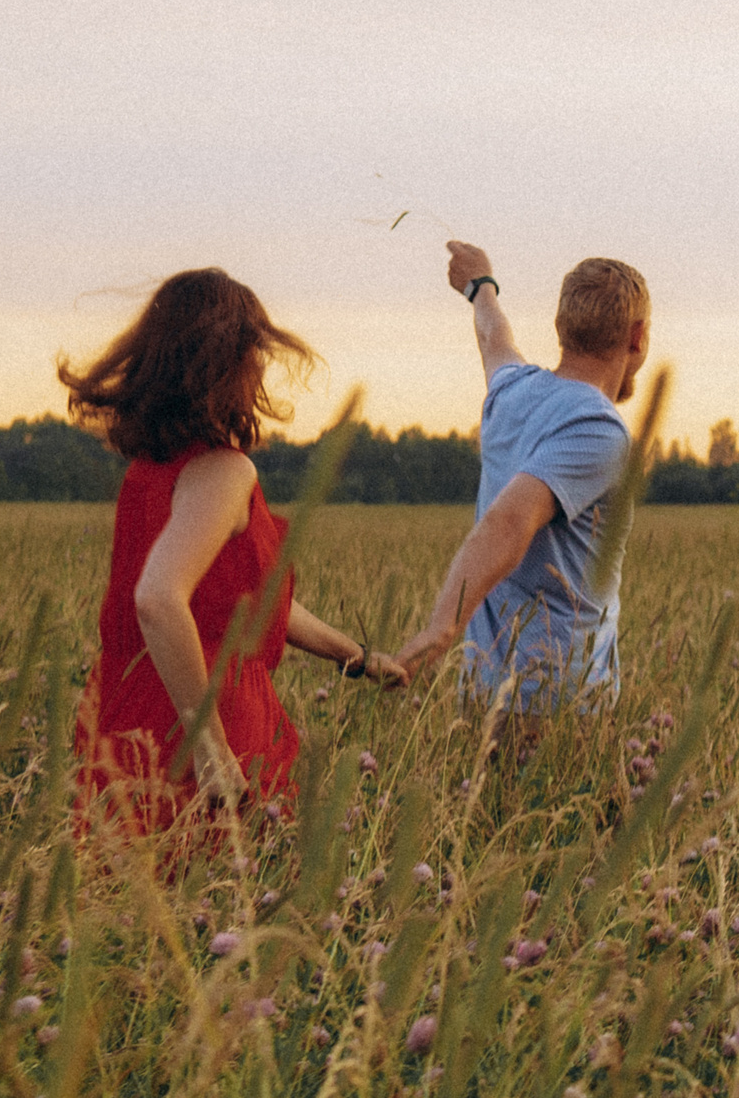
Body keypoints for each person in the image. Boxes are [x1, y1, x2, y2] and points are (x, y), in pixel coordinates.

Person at [68, 268, 405, 832]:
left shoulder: (150, 473)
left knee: (129, 906)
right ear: (228, 363)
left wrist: (359, 659)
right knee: (228, 906)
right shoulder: (224, 473)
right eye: (255, 355)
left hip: (127, 720)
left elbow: (248, 602)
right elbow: (158, 598)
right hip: (205, 726)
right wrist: (210, 749)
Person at [392, 241, 646, 735]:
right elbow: (509, 520)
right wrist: (441, 629)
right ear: (637, 337)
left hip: (485, 685)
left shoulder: (512, 389)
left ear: (560, 328)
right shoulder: (599, 429)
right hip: (553, 701)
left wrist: (480, 286)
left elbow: (494, 337)